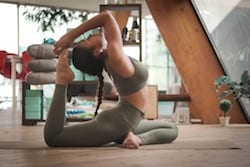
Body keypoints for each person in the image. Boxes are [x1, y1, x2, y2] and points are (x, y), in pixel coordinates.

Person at [37, 10, 178, 149]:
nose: (91, 34)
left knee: (172, 128)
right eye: (87, 39)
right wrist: (71, 36)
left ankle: (129, 136)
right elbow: (106, 17)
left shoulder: (112, 60)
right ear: (97, 51)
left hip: (126, 121)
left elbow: (106, 22)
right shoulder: (115, 57)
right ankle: (62, 80)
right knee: (54, 137)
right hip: (118, 121)